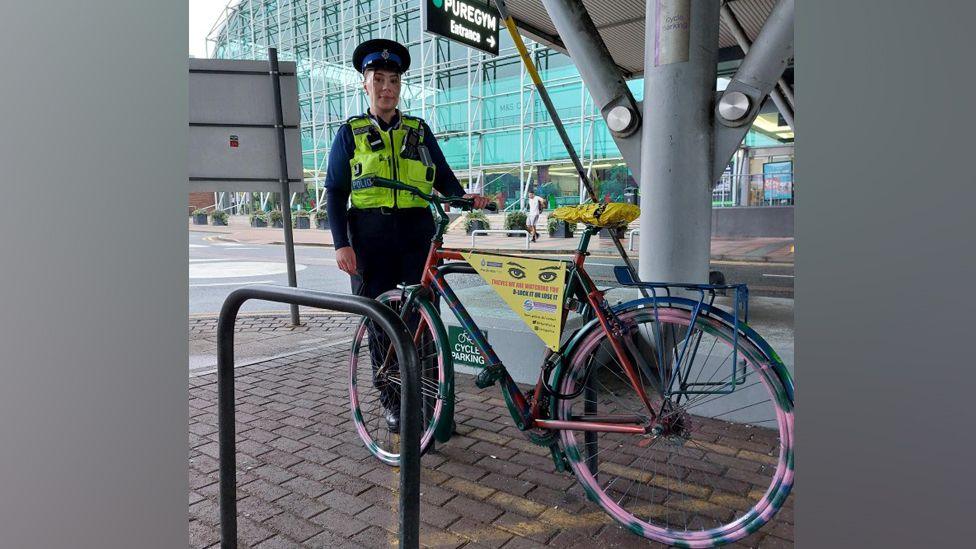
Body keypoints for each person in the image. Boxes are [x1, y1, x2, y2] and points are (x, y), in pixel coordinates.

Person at [324, 38, 489, 431]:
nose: (386, 88)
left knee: (422, 319)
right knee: (381, 322)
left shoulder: (419, 130)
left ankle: (429, 400)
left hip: (416, 235)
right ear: (365, 84)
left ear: (401, 87)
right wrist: (340, 244)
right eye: (378, 79)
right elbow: (335, 191)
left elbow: (445, 177)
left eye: (393, 80)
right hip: (369, 237)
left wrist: (465, 197)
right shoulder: (351, 132)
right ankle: (392, 401)